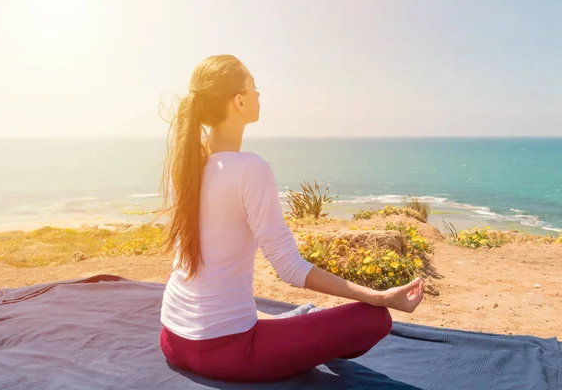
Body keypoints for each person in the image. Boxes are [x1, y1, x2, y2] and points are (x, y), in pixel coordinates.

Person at [159, 54, 424, 382]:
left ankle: (294, 322)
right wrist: (379, 296)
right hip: (227, 351)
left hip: (172, 339)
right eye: (254, 87)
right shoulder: (250, 169)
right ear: (239, 101)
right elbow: (289, 267)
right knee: (376, 320)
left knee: (282, 318)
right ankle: (301, 322)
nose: (259, 94)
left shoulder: (187, 166)